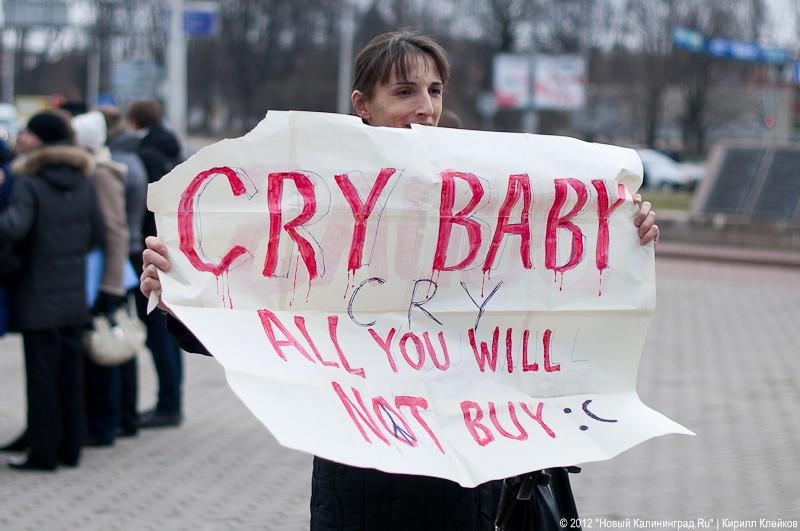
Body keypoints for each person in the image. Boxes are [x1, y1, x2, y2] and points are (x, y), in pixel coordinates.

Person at [140, 31, 660, 529]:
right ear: (363, 104)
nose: (426, 106)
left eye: (435, 90)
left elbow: (553, 292)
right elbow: (260, 311)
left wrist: (623, 235)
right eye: (405, 91)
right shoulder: (321, 197)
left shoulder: (485, 193)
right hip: (364, 473)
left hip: (470, 471)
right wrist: (180, 292)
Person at [0, 111, 104, 470]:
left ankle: (43, 453)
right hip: (73, 293)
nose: (23, 138)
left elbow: (14, 227)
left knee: (42, 376)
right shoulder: (84, 180)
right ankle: (70, 449)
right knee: (70, 376)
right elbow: (97, 234)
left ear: (41, 140)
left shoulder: (29, 182)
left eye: (29, 133)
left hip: (37, 292)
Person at [72, 110, 131, 447]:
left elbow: (115, 229)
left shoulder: (100, 172)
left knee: (103, 349)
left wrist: (110, 284)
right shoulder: (93, 169)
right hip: (99, 272)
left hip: (103, 275)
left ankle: (105, 424)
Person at [127, 98, 185, 428]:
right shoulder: (172, 149)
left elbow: (144, 204)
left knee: (158, 331)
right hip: (173, 247)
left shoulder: (146, 154)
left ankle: (168, 404)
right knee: (169, 331)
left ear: (135, 121)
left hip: (152, 249)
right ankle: (171, 400)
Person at [99, 105, 149, 437]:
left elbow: (114, 224)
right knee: (125, 329)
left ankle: (119, 415)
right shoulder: (134, 159)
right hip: (130, 252)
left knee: (118, 331)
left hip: (123, 256)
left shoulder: (115, 165)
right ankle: (126, 414)